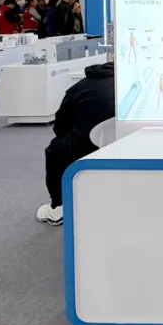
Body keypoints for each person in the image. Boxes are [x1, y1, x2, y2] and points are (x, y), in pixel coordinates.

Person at [36, 61, 115, 225]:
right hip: (125, 143)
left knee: (56, 149)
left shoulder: (79, 88)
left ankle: (58, 206)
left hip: (86, 145)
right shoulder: (128, 84)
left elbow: (60, 125)